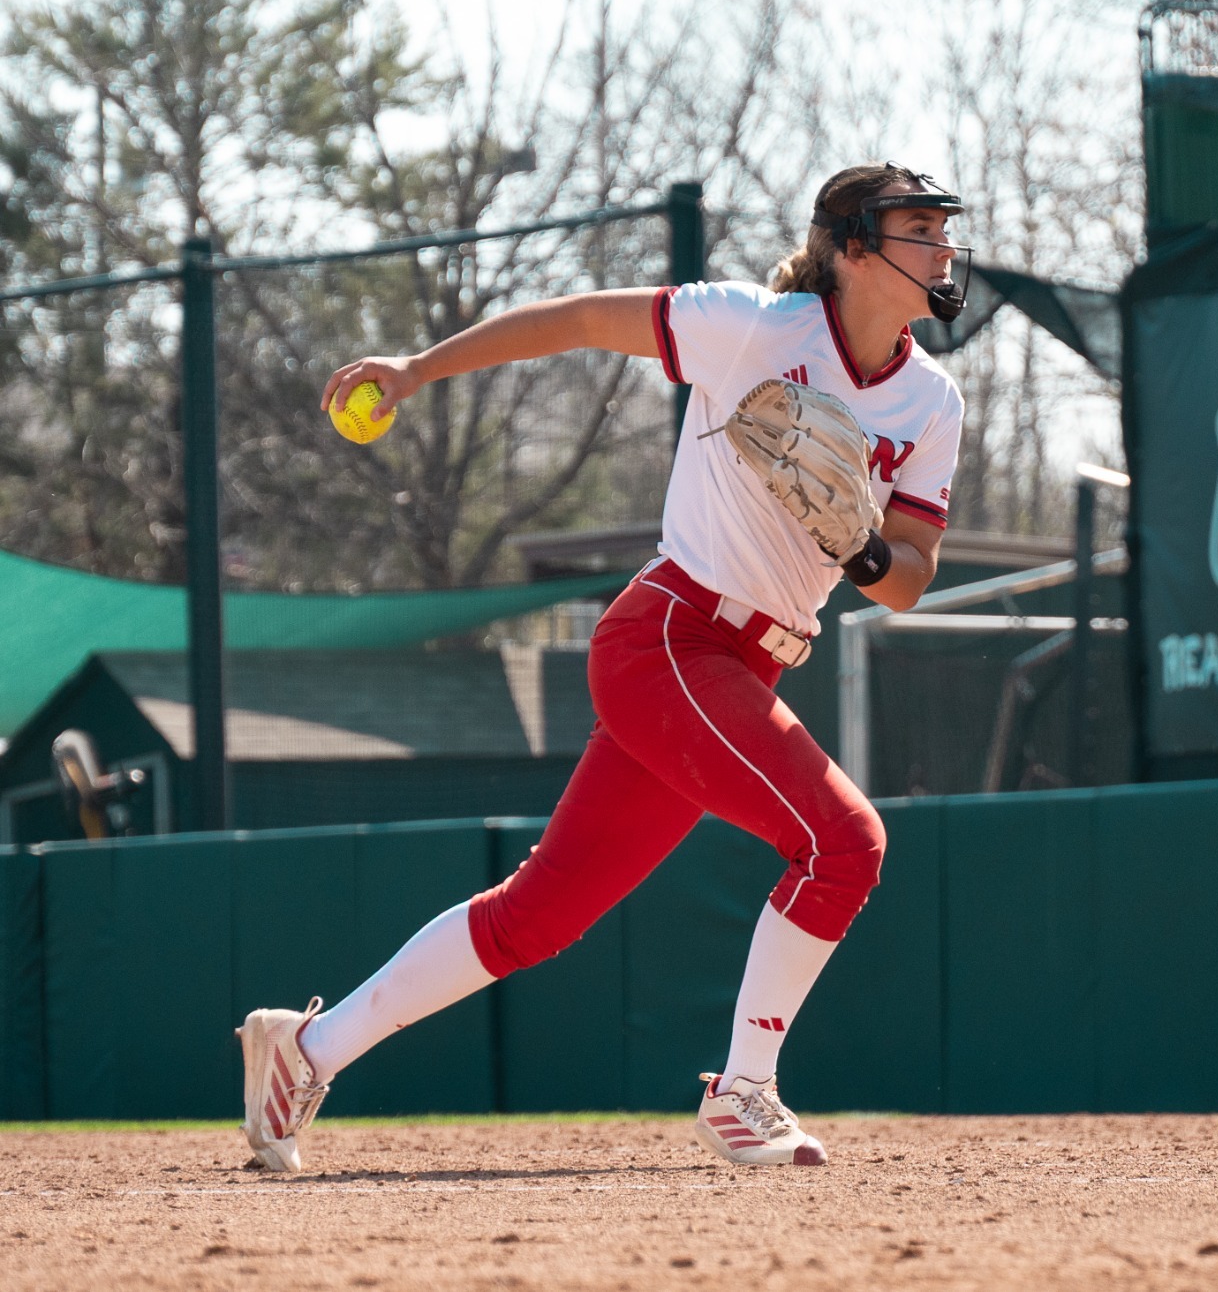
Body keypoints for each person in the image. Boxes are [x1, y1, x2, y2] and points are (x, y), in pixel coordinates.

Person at [236, 163, 970, 1171]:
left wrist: (864, 548)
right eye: (917, 226)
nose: (941, 245)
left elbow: (909, 579)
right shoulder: (754, 328)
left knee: (536, 916)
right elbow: (577, 319)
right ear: (852, 245)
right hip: (670, 638)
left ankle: (305, 1051)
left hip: (741, 670)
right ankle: (744, 1092)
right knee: (843, 844)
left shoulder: (932, 401)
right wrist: (416, 368)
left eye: (942, 228)